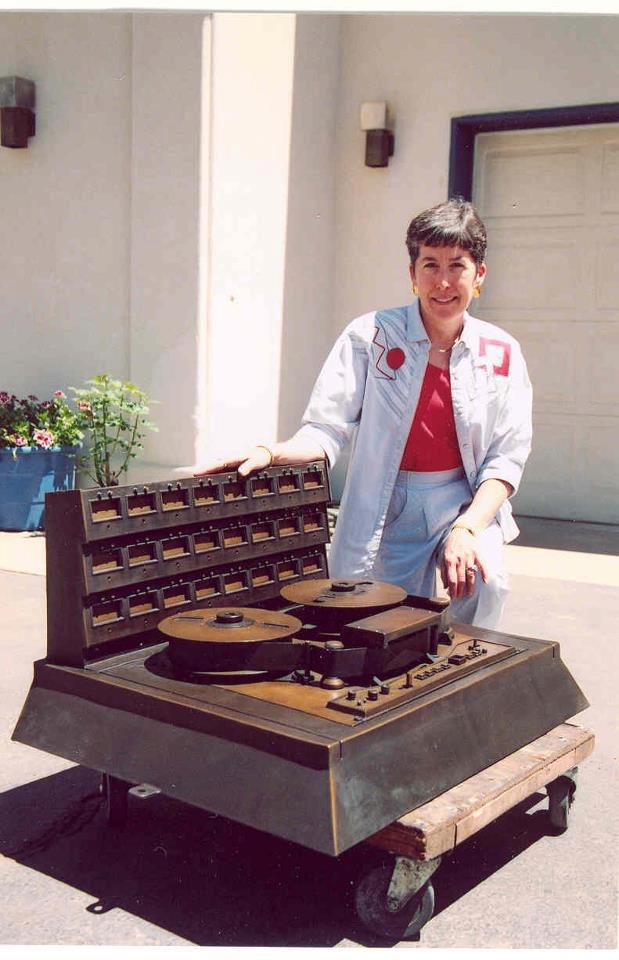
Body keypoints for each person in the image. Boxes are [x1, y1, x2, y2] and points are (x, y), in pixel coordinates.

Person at [195, 199, 532, 628]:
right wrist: (272, 452)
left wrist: (466, 530)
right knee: (378, 618)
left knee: (488, 584)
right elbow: (326, 429)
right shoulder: (369, 335)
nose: (443, 282)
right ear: (412, 274)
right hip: (388, 503)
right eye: (430, 265)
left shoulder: (502, 352)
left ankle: (466, 683)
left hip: (465, 500)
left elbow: (507, 457)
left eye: (457, 265)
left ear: (479, 274)